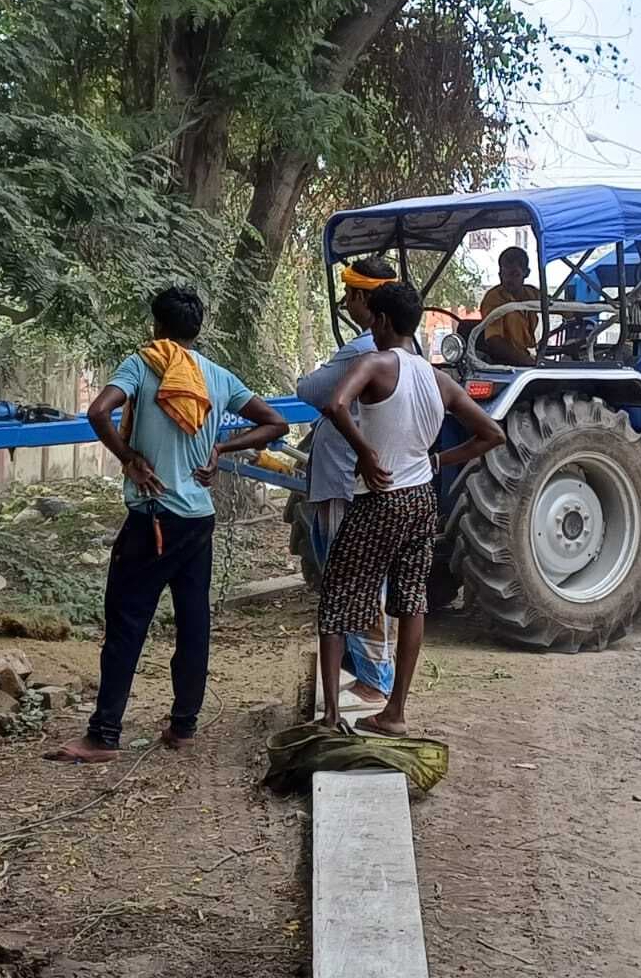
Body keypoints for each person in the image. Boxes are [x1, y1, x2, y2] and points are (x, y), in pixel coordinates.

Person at [53, 287, 286, 763]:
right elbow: (275, 424)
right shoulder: (216, 377)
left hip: (153, 519)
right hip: (199, 519)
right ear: (196, 331)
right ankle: (183, 727)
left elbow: (98, 411)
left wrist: (130, 458)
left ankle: (103, 735)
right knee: (193, 621)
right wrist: (223, 448)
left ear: (157, 327)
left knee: (126, 623)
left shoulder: (145, 364)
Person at [316, 282, 506, 737]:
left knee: (336, 601)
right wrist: (439, 459)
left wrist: (363, 451)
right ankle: (395, 712)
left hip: (379, 499)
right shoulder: (438, 379)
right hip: (421, 499)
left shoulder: (375, 363)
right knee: (411, 602)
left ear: (380, 321)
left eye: (370, 319)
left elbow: (335, 404)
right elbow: (492, 434)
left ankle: (331, 717)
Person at [296, 257, 401, 716]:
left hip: (344, 481)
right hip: (361, 481)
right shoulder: (404, 352)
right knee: (368, 583)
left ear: (363, 300)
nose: (347, 304)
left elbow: (311, 389)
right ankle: (372, 675)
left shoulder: (360, 351)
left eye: (351, 297)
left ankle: (375, 681)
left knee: (352, 584)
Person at [477, 246, 540, 367]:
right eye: (503, 274)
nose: (507, 280)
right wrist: (529, 363)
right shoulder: (494, 298)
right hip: (502, 363)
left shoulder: (532, 294)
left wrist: (577, 312)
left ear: (526, 273)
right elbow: (494, 341)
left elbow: (554, 305)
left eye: (514, 274)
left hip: (528, 358)